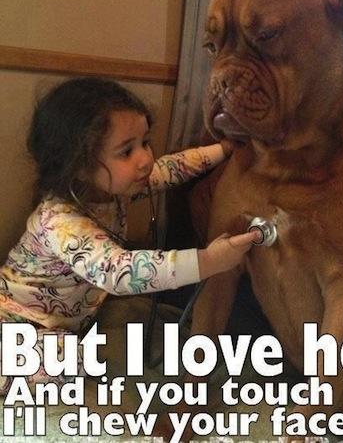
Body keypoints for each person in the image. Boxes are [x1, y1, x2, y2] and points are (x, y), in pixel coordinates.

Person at [0, 77, 258, 394]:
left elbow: (172, 168)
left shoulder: (117, 189)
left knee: (75, 355)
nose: (145, 159)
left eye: (144, 142)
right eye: (126, 151)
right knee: (74, 361)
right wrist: (208, 261)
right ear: (79, 166)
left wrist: (223, 149)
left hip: (58, 328)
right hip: (14, 324)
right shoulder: (60, 222)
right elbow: (119, 271)